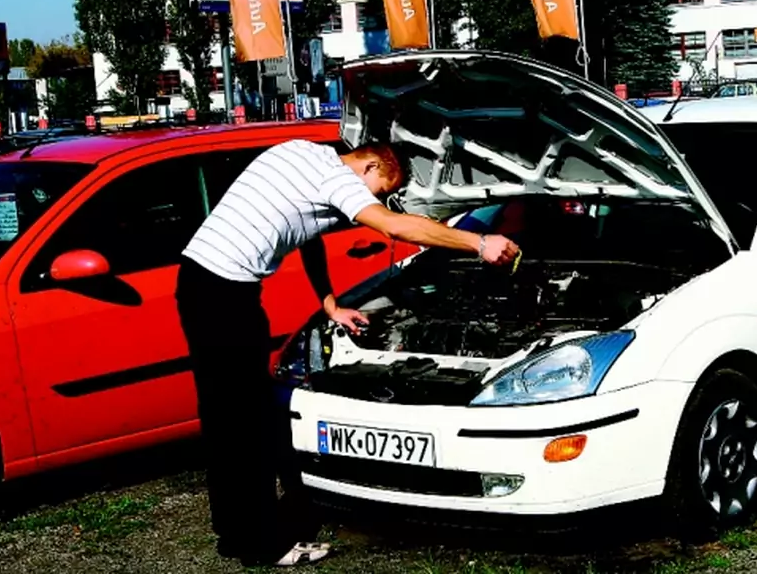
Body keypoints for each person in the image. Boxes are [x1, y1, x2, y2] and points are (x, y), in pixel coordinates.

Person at [174, 139, 518, 567]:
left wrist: (329, 301)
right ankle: (260, 543)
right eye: (378, 188)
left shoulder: (298, 152)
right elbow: (393, 227)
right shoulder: (334, 175)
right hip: (225, 296)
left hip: (200, 284)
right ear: (371, 163)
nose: (372, 198)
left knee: (227, 420)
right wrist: (478, 242)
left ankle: (236, 534)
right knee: (247, 423)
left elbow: (307, 233)